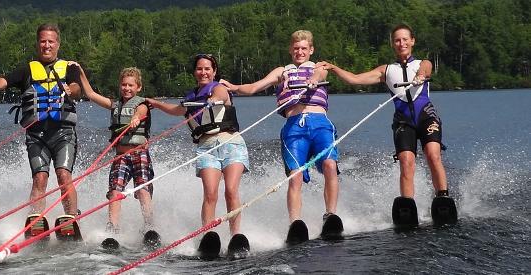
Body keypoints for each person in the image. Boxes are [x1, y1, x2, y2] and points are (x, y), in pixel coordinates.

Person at [316, 24, 451, 220]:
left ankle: (443, 197)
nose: (401, 43)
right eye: (397, 40)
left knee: (432, 154)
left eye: (405, 39)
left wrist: (420, 76)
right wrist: (334, 68)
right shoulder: (386, 70)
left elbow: (426, 68)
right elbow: (355, 79)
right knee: (406, 161)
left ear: (412, 41)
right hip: (403, 121)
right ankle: (407, 204)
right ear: (392, 44)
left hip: (427, 117)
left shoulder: (422, 63)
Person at [0, 23, 83, 240]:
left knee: (63, 175)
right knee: (39, 178)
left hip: (63, 132)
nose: (46, 45)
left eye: (51, 41)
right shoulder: (27, 69)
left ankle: (71, 217)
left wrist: (70, 89)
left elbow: (77, 87)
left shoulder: (70, 67)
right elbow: (2, 82)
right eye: (43, 41)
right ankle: (36, 220)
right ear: (38, 43)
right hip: (36, 135)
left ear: (58, 44)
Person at [219, 30, 341, 240]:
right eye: (296, 48)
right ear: (290, 50)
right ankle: (295, 223)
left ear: (311, 50)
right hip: (294, 128)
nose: (300, 52)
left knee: (330, 165)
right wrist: (235, 87)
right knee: (295, 177)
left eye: (304, 48)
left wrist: (312, 79)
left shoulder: (319, 66)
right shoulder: (282, 71)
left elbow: (320, 75)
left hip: (321, 124)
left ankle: (330, 214)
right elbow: (256, 86)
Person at [145, 54, 247, 240]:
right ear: (194, 72)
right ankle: (208, 235)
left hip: (230, 143)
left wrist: (211, 101)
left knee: (231, 190)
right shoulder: (191, 97)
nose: (203, 72)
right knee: (210, 194)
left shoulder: (219, 88)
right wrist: (157, 104)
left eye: (207, 69)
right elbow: (178, 110)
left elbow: (220, 96)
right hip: (206, 146)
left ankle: (235, 236)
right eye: (199, 69)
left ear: (214, 71)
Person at [75, 66, 155, 235]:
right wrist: (80, 72)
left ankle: (149, 226)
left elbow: (141, 111)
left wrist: (135, 118)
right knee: (114, 191)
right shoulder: (115, 105)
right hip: (121, 156)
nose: (127, 88)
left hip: (139, 154)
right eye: (124, 85)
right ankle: (113, 227)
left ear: (138, 87)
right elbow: (90, 94)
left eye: (131, 85)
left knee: (142, 189)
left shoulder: (142, 104)